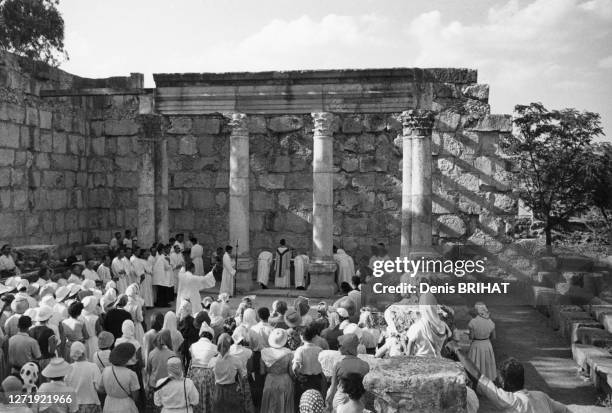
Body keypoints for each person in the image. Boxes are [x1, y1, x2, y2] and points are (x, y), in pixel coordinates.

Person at [446, 341, 571, 413]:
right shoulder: (542, 396)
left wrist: (457, 349)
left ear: (505, 384)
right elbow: (565, 410)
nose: (495, 381)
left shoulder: (511, 401)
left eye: (498, 379)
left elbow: (479, 378)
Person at [326, 334, 369, 409]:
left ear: (347, 349)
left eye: (340, 346)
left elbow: (333, 388)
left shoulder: (338, 365)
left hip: (341, 400)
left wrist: (328, 403)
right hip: (359, 400)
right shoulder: (365, 365)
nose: (338, 348)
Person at [405, 292, 451, 358]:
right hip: (438, 362)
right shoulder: (443, 325)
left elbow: (409, 354)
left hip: (421, 363)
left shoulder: (417, 326)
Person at [208, 333, 246, 413]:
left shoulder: (213, 361)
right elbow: (243, 377)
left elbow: (210, 379)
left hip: (218, 391)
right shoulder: (236, 360)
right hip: (232, 391)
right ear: (229, 346)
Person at [99, 343, 140, 413]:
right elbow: (135, 396)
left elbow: (101, 390)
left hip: (109, 403)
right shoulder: (131, 374)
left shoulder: (106, 370)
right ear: (127, 358)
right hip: (126, 405)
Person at [260, 328, 294, 413]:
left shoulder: (264, 353)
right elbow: (291, 372)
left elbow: (262, 372)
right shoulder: (289, 353)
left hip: (270, 380)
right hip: (285, 381)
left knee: (270, 405)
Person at [188, 323, 218, 413]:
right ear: (211, 337)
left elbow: (191, 358)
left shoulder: (193, 346)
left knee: (195, 396)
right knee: (208, 398)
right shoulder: (214, 347)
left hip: (194, 374)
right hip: (208, 375)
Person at [66, 342, 102, 413]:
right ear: (84, 352)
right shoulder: (93, 366)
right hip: (92, 404)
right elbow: (99, 387)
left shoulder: (68, 368)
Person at [293, 324, 325, 400]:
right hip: (317, 380)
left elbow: (295, 367)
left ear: (301, 336)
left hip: (304, 380)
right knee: (315, 401)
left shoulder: (300, 350)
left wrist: (298, 376)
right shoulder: (319, 350)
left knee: (303, 402)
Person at [146, 330, 176, 412]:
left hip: (154, 385)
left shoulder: (152, 353)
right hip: (168, 386)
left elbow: (149, 370)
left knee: (156, 408)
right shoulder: (172, 354)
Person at [467, 302, 496, 380]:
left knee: (475, 365)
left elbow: (471, 337)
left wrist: (469, 334)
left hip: (476, 345)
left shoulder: (473, 322)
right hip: (487, 345)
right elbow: (493, 337)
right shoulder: (490, 322)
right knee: (487, 366)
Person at [29, 306, 57, 371]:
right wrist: (55, 344)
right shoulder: (49, 331)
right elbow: (51, 350)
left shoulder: (31, 330)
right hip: (46, 360)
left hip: (34, 361)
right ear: (48, 318)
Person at [81, 296, 102, 361]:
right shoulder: (95, 318)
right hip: (94, 340)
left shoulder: (81, 317)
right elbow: (99, 332)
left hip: (84, 341)